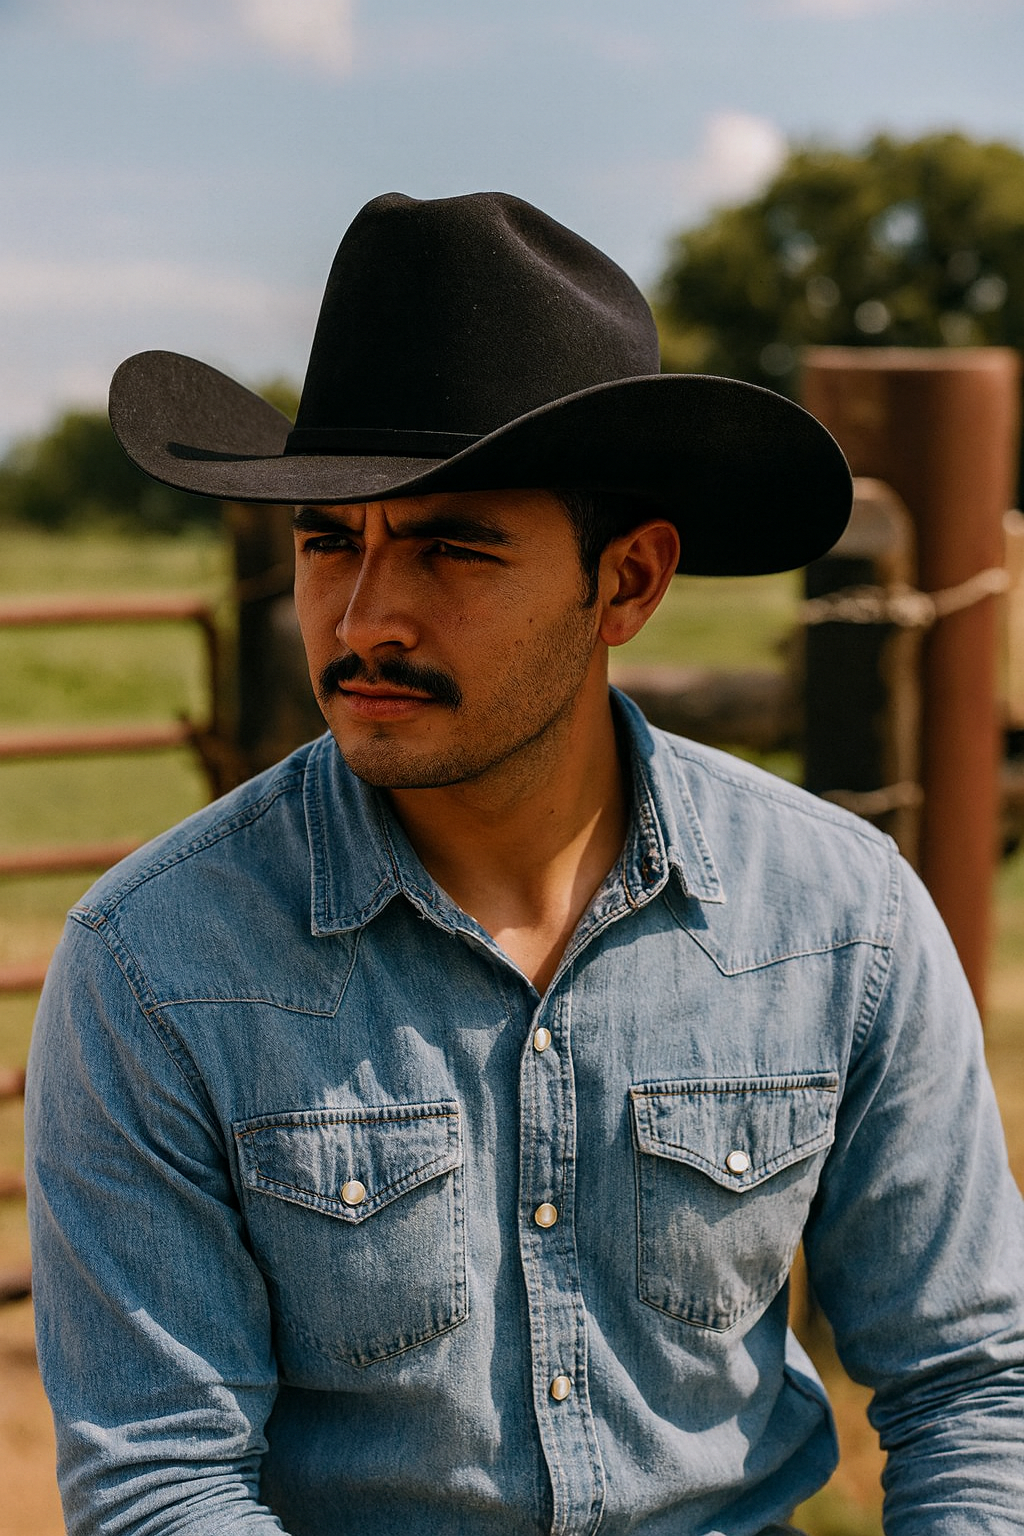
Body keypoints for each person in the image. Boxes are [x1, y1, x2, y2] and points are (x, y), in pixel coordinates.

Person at [26, 192, 1024, 1536]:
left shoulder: (843, 918)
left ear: (628, 583)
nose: (365, 618)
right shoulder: (155, 963)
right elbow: (160, 1481)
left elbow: (973, 1382)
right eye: (330, 542)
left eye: (452, 547)